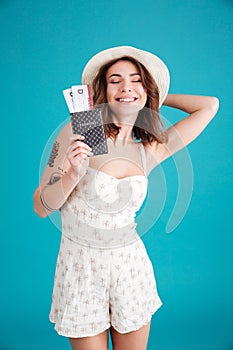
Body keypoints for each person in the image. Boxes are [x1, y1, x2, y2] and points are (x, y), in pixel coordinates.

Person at [33, 46, 219, 350]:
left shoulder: (149, 150)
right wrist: (71, 175)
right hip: (81, 270)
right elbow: (41, 207)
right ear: (102, 91)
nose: (125, 87)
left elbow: (209, 106)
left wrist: (153, 95)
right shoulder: (78, 133)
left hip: (130, 269)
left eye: (135, 80)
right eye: (115, 81)